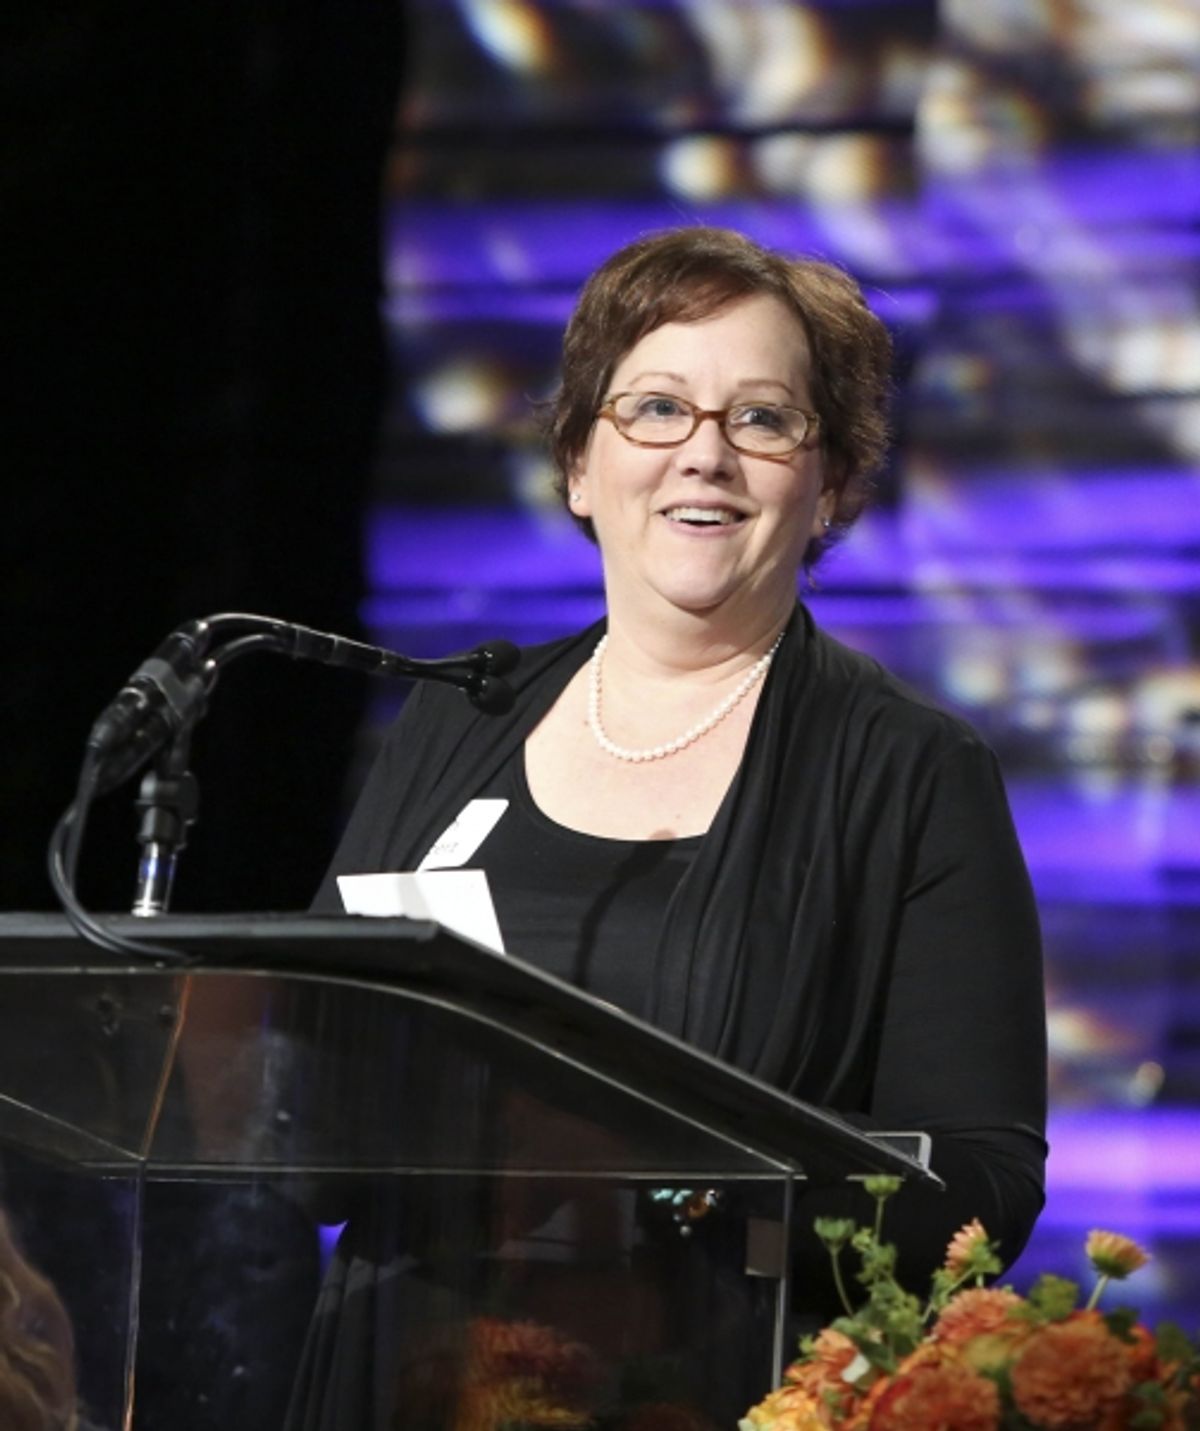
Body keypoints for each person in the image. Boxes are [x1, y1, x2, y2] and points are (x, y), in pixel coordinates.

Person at [308, 225, 1046, 1404]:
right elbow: (303, 1100)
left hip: (710, 1392)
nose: (705, 454)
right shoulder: (453, 722)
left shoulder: (909, 772)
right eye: (656, 408)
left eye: (762, 419)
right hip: (410, 1381)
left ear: (830, 484)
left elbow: (982, 1192)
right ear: (579, 466)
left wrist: (672, 1182)